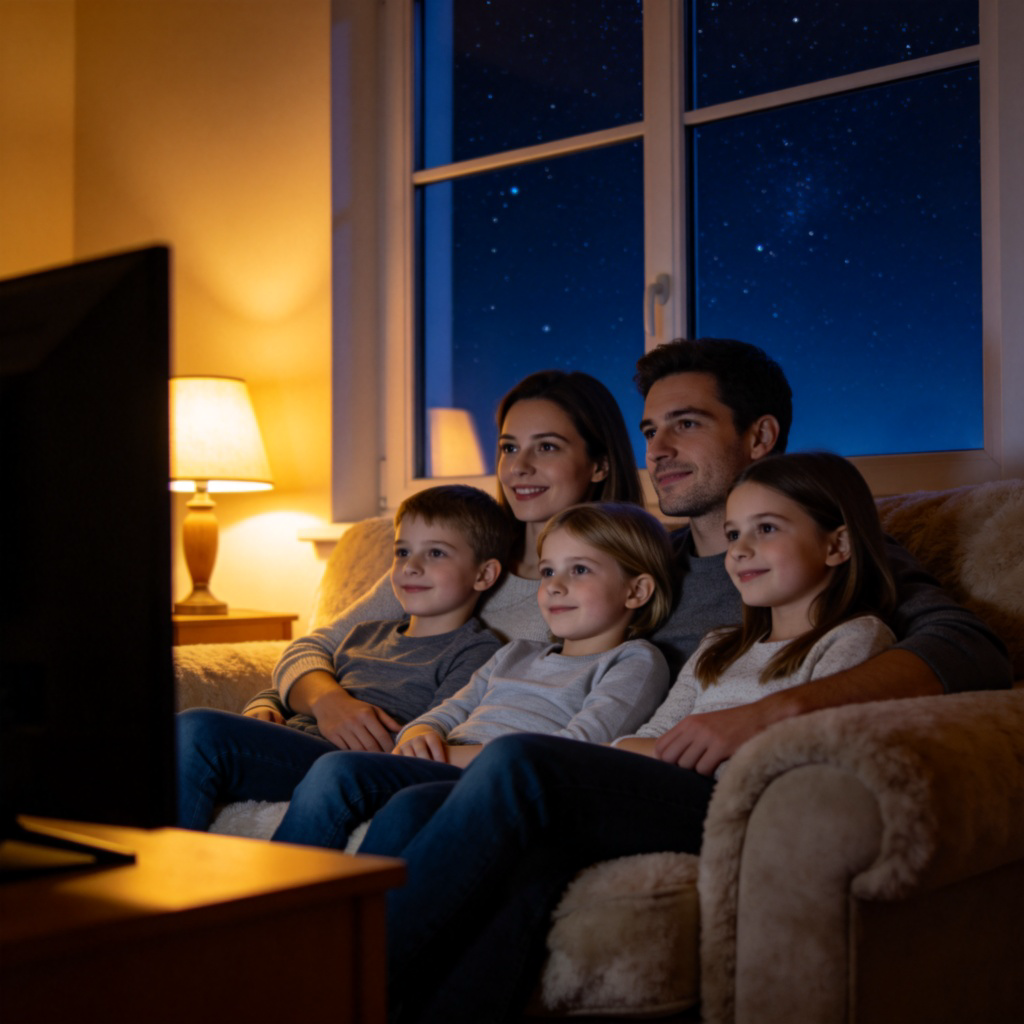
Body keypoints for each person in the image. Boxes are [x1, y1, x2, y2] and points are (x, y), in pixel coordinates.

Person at [355, 338, 1013, 1023]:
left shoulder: (815, 556)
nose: (659, 448)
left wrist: (770, 715)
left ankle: (324, 978)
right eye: (649, 430)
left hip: (685, 774)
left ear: (759, 435)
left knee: (518, 773)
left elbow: (968, 647)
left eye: (686, 424)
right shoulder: (637, 560)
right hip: (616, 761)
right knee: (415, 807)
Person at [245, 369, 644, 752]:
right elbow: (315, 647)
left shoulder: (599, 590)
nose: (519, 467)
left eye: (547, 446)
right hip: (339, 732)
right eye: (509, 448)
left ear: (600, 464)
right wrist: (326, 703)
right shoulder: (449, 553)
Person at [270, 501, 674, 849]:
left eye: (581, 570)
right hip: (441, 762)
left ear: (636, 591)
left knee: (355, 777)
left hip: (499, 779)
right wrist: (419, 732)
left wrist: (446, 755)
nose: (555, 587)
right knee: (338, 769)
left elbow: (580, 746)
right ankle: (281, 907)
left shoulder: (634, 661)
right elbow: (451, 709)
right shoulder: (518, 651)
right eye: (549, 572)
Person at [175, 484, 508, 830]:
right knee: (181, 730)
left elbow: (436, 730)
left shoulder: (477, 652)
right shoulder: (364, 633)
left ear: (484, 574)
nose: (411, 566)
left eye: (436, 553)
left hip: (349, 763)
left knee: (198, 728)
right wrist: (264, 704)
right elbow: (300, 686)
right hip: (291, 744)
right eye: (403, 552)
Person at [615, 451, 896, 772]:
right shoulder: (718, 646)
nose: (739, 550)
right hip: (659, 779)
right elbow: (644, 738)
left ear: (837, 545)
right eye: (733, 534)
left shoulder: (854, 638)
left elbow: (803, 751)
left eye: (766, 528)